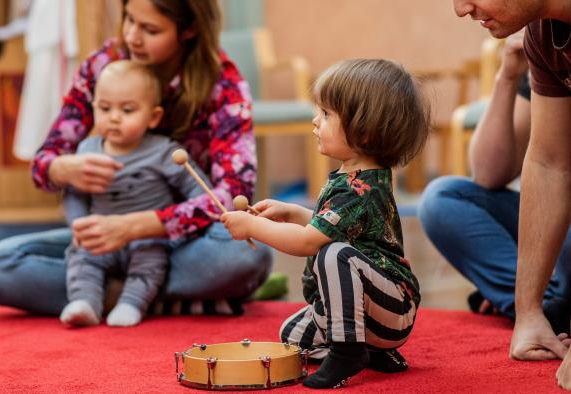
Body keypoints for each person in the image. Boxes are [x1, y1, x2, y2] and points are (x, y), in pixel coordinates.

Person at [0, 0, 272, 318]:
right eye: (129, 20)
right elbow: (45, 162)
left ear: (190, 29)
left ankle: (107, 294)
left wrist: (136, 226)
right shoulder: (103, 65)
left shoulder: (224, 86)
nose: (131, 36)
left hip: (184, 242)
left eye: (150, 29)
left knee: (247, 255)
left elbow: (234, 198)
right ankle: (153, 298)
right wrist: (63, 168)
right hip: (105, 241)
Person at [221, 59, 430, 389]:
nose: (315, 121)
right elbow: (337, 228)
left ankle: (349, 352)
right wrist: (293, 212)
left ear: (363, 130)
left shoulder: (357, 187)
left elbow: (308, 243)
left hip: (393, 307)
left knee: (335, 256)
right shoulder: (356, 178)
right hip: (377, 310)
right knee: (292, 335)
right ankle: (372, 351)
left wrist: (251, 228)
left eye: (327, 114)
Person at [452, 0, 571, 389]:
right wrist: (528, 310)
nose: (460, 9)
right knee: (447, 199)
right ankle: (554, 304)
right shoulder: (542, 34)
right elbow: (549, 163)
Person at [418, 30, 571, 330]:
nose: (463, 11)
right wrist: (507, 77)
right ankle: (542, 303)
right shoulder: (547, 44)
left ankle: (541, 300)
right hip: (558, 215)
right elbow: (490, 174)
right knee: (443, 199)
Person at [60, 60, 210, 327]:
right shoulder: (87, 149)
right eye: (105, 108)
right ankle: (86, 302)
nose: (114, 117)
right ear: (93, 106)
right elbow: (75, 194)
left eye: (127, 110)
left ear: (153, 117)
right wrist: (78, 225)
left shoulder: (163, 151)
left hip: (148, 239)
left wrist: (172, 230)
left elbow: (199, 191)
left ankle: (132, 302)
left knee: (150, 264)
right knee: (80, 257)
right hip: (100, 239)